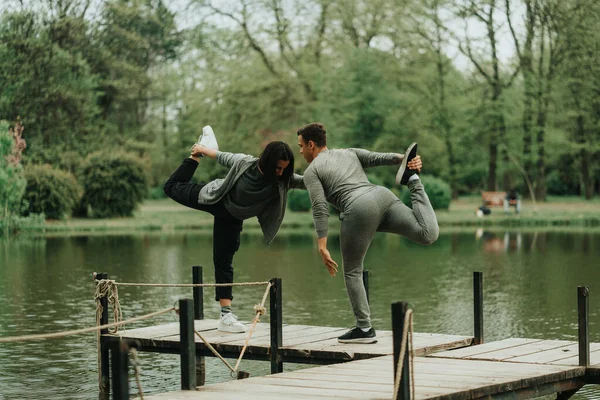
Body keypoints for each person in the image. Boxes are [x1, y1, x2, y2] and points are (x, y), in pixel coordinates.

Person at [297, 122, 439, 344]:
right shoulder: (348, 152)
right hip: (381, 196)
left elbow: (319, 207)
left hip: (359, 208)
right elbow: (377, 158)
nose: (300, 151)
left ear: (311, 145)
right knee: (427, 234)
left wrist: (322, 245)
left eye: (301, 146)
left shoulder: (312, 170)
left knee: (352, 270)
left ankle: (364, 329)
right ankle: (412, 179)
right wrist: (404, 160)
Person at [164, 129, 305, 333]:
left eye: (284, 169)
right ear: (266, 162)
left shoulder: (283, 180)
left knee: (223, 261)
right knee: (171, 187)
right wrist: (201, 150)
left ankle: (225, 316)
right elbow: (221, 156)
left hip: (232, 218)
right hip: (215, 198)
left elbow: (307, 182)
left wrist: (332, 183)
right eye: (278, 168)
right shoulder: (245, 163)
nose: (281, 173)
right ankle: (194, 157)